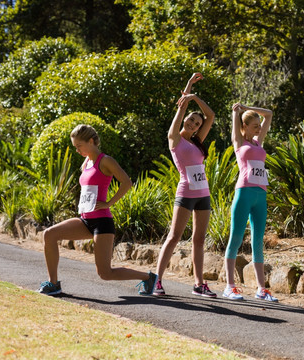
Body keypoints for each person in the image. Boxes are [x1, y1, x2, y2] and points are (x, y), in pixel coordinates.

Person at [38, 124, 157, 296]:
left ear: (91, 141)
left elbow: (127, 182)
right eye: (75, 147)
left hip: (102, 222)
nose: (77, 150)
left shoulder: (105, 160)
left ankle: (148, 277)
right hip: (85, 219)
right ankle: (53, 283)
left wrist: (109, 203)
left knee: (105, 273)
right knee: (49, 234)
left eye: (79, 146)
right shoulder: (86, 162)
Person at [153, 73, 216, 297]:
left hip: (203, 193)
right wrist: (187, 90)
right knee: (174, 236)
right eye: (191, 120)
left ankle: (199, 284)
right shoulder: (175, 139)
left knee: (199, 239)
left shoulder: (197, 141)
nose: (193, 124)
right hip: (186, 192)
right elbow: (179, 115)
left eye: (196, 124)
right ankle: (156, 281)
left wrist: (196, 97)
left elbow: (211, 115)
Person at [222, 103, 277, 302]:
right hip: (244, 192)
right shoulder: (239, 142)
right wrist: (236, 112)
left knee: (258, 241)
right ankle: (230, 286)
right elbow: (235, 120)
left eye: (259, 126)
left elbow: (269, 114)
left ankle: (262, 289)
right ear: (244, 127)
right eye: (255, 126)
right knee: (235, 239)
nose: (259, 129)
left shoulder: (258, 142)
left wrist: (247, 106)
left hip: (260, 195)